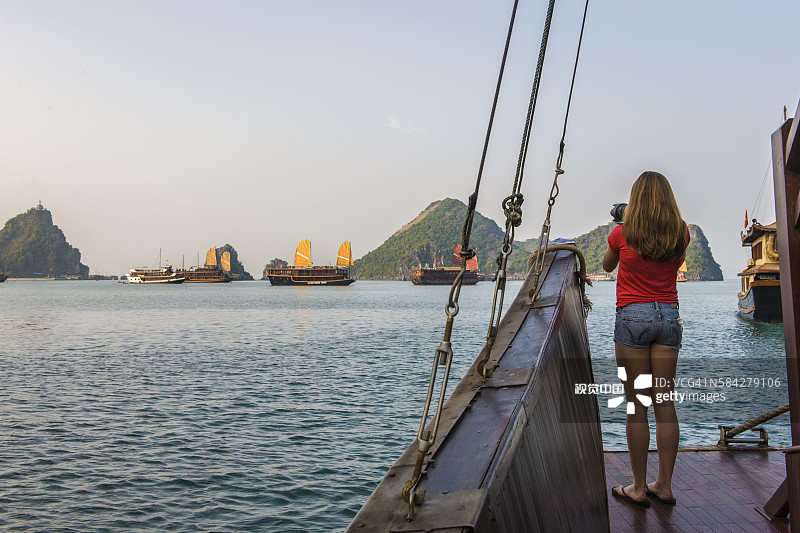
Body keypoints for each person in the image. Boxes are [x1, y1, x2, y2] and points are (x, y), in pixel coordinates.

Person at [603, 171, 690, 508]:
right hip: (668, 316)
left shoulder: (622, 233)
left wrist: (622, 235)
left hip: (633, 317)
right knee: (665, 403)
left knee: (637, 405)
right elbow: (673, 265)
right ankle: (664, 486)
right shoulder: (680, 234)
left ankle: (638, 488)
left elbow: (609, 266)